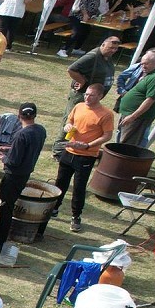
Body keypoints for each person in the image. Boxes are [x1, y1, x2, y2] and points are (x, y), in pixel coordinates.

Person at [55, 82, 116, 233]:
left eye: (91, 95)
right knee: (60, 183)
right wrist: (68, 126)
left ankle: (76, 216)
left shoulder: (106, 114)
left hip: (86, 156)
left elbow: (107, 135)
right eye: (86, 94)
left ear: (100, 96)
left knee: (79, 188)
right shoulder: (79, 106)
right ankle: (54, 208)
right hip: (69, 151)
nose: (87, 97)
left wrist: (88, 145)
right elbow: (69, 121)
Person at [0, 103, 47, 251]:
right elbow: (25, 148)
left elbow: (13, 161)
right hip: (25, 173)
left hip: (13, 175)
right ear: (35, 115)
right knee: (7, 206)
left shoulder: (21, 134)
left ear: (19, 116)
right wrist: (7, 148)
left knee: (5, 208)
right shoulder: (40, 130)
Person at [116, 48, 155, 147]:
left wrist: (133, 116)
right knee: (122, 141)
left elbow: (150, 100)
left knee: (127, 145)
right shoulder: (152, 72)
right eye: (142, 64)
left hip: (138, 118)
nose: (143, 66)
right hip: (130, 114)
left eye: (146, 64)